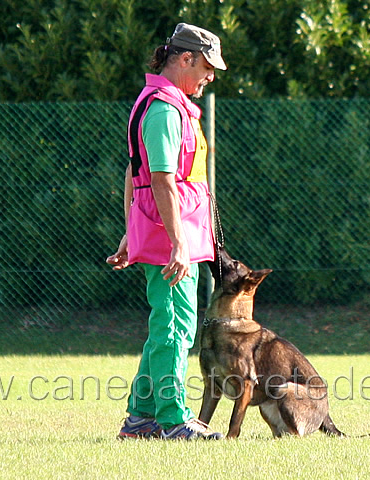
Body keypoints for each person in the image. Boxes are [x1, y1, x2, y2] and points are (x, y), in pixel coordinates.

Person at [106, 23, 227, 440]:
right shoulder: (163, 108)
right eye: (207, 67)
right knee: (175, 327)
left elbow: (132, 170)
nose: (210, 77)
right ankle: (174, 420)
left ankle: (141, 417)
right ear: (185, 59)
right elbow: (158, 179)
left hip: (171, 233)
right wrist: (176, 242)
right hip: (171, 237)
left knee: (168, 325)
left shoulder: (167, 104)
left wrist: (130, 230)